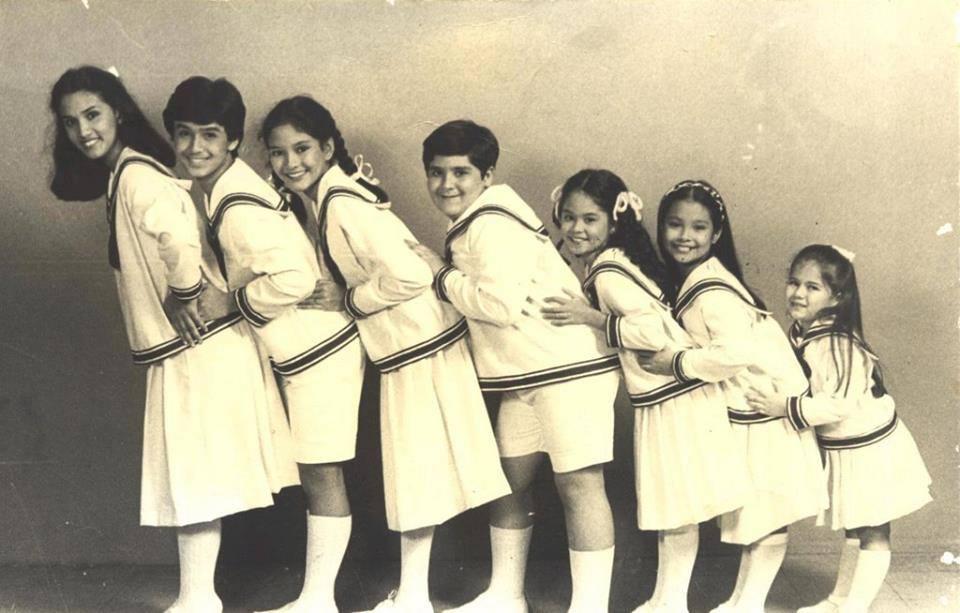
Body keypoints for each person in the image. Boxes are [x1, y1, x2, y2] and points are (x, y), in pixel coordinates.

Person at [49, 66, 298, 613]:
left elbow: (177, 238)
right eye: (71, 123)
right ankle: (197, 596)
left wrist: (185, 293)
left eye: (92, 114)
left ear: (118, 111)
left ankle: (198, 598)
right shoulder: (128, 175)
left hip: (200, 345)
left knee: (195, 475)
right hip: (193, 349)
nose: (84, 130)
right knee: (193, 476)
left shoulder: (138, 176)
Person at [261, 96, 510, 613]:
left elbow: (412, 275)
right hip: (409, 350)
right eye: (279, 153)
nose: (292, 163)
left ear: (328, 148)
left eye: (303, 148)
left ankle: (415, 599)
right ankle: (413, 595)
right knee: (416, 479)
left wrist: (349, 299)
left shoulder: (342, 202)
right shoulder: (331, 199)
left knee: (418, 478)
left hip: (422, 348)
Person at [161, 80, 368, 613]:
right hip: (303, 352)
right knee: (316, 470)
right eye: (183, 135)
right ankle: (315, 597)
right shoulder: (228, 189)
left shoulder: (237, 201)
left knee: (322, 471)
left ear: (231, 140)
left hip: (321, 353)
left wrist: (232, 303)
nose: (195, 148)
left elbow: (295, 278)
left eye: (209, 135)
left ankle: (318, 601)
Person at [412, 121, 621, 613]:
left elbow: (498, 305)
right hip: (530, 374)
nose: (447, 184)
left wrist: (439, 275)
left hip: (568, 371)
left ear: (487, 175)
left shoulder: (492, 222)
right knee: (508, 481)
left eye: (461, 172)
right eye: (436, 172)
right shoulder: (477, 219)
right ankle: (506, 595)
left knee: (580, 484)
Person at [541, 169, 748, 612]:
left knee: (677, 511)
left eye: (591, 219)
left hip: (676, 400)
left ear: (614, 222)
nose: (578, 229)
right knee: (676, 511)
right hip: (668, 399)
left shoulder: (610, 271)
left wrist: (596, 319)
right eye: (570, 217)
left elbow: (655, 330)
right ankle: (665, 600)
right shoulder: (611, 262)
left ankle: (670, 603)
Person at [638, 180, 827, 613]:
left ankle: (748, 604)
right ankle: (727, 604)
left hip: (766, 413)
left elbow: (735, 354)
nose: (685, 236)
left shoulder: (714, 290)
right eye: (674, 224)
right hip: (746, 413)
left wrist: (677, 362)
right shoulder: (697, 279)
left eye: (698, 227)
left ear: (716, 234)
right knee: (753, 513)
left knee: (765, 515)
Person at [743, 244, 931, 613]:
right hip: (847, 449)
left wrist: (784, 407)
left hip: (872, 449)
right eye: (794, 282)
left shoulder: (836, 342)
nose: (798, 293)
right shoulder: (805, 332)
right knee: (855, 527)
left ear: (838, 296)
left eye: (813, 287)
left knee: (873, 529)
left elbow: (838, 404)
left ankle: (854, 606)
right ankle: (838, 599)